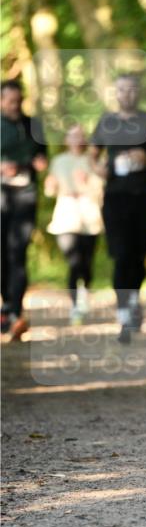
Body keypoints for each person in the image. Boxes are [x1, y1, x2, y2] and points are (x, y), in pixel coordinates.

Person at [89, 73, 146, 343]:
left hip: (143, 197)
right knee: (121, 255)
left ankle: (133, 298)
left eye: (131, 89)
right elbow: (91, 154)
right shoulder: (107, 121)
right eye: (121, 90)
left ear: (138, 93)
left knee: (138, 257)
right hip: (115, 198)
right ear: (115, 93)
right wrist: (99, 169)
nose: (126, 94)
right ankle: (124, 312)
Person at [1, 78, 48, 341]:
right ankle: (6, 306)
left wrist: (38, 163)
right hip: (1, 196)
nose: (15, 105)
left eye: (19, 101)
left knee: (18, 253)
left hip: (25, 195)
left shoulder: (33, 125)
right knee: (2, 255)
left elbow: (42, 155)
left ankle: (15, 313)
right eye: (10, 101)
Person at [44, 124, 104, 323]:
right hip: (66, 217)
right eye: (72, 136)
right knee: (73, 261)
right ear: (66, 140)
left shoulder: (93, 160)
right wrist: (50, 185)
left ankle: (84, 292)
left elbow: (101, 190)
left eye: (80, 136)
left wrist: (86, 184)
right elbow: (50, 191)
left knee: (86, 263)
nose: (77, 140)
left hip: (90, 217)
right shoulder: (59, 161)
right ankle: (74, 305)